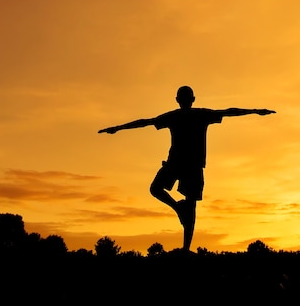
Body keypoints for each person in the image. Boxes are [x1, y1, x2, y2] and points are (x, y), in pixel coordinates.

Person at [98, 85, 275, 252]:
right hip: (185, 164)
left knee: (173, 198)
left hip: (182, 164)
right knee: (183, 203)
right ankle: (182, 228)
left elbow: (146, 122)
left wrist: (118, 128)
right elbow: (229, 111)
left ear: (178, 99)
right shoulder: (197, 114)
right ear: (192, 99)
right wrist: (255, 111)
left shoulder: (183, 115)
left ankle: (185, 244)